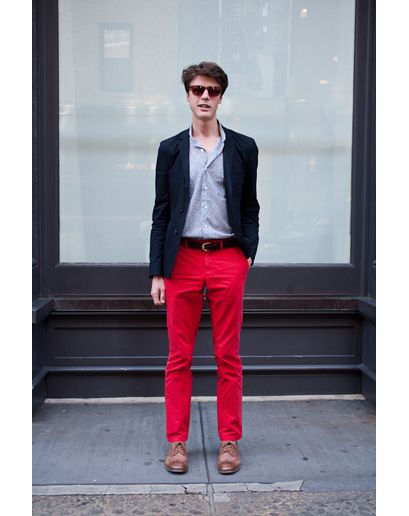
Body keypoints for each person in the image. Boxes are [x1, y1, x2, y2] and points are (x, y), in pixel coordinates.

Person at [149, 61, 259, 474]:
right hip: (184, 260)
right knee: (179, 356)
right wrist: (157, 271)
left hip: (228, 257)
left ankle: (228, 441)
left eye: (212, 90)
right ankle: (177, 443)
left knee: (227, 355)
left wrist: (247, 253)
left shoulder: (243, 147)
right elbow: (161, 212)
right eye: (197, 89)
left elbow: (250, 205)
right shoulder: (171, 148)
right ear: (187, 94)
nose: (204, 96)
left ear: (221, 96)